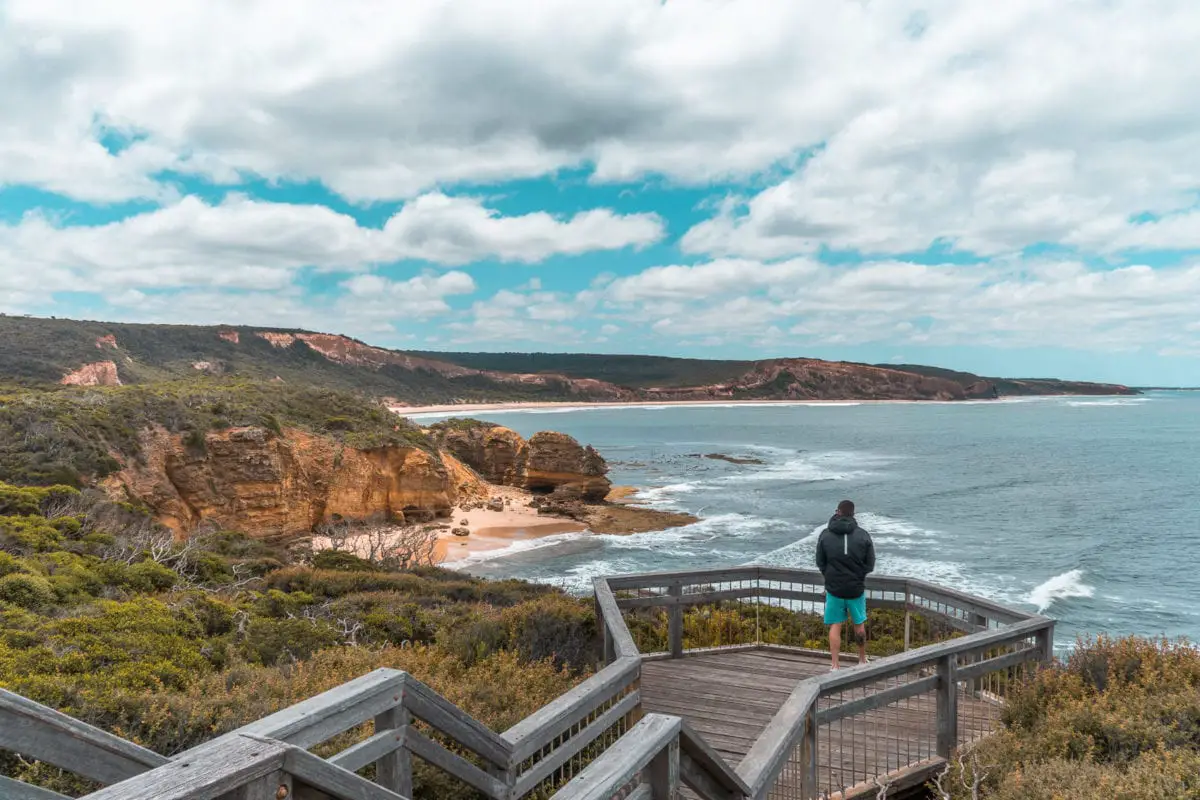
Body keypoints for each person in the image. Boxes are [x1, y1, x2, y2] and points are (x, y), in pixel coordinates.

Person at [815, 499, 876, 669]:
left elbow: (820, 561)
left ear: (838, 512)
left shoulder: (825, 534)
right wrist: (859, 575)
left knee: (835, 625)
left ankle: (835, 666)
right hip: (855, 589)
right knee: (859, 624)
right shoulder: (863, 535)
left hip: (834, 589)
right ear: (853, 514)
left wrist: (829, 576)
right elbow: (870, 564)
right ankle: (862, 660)